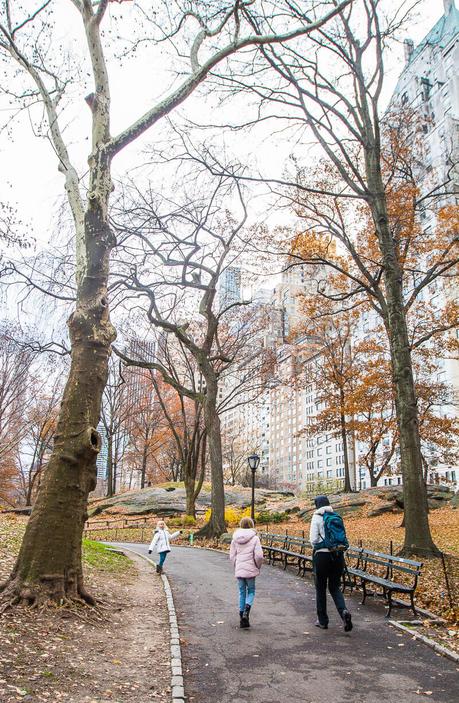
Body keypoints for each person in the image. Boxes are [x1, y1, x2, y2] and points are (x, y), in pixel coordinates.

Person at [310, 495, 353, 632]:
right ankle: (344, 612)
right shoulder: (336, 516)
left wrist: (322, 546)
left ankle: (322, 621)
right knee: (335, 587)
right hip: (337, 555)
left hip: (322, 557)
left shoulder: (316, 517)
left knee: (321, 588)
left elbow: (313, 540)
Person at [229, 516, 264, 629]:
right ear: (251, 525)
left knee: (241, 592)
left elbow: (232, 556)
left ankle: (241, 617)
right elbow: (259, 556)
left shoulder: (235, 538)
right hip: (250, 570)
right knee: (251, 591)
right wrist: (257, 566)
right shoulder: (255, 538)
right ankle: (246, 611)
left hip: (239, 568)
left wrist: (236, 565)